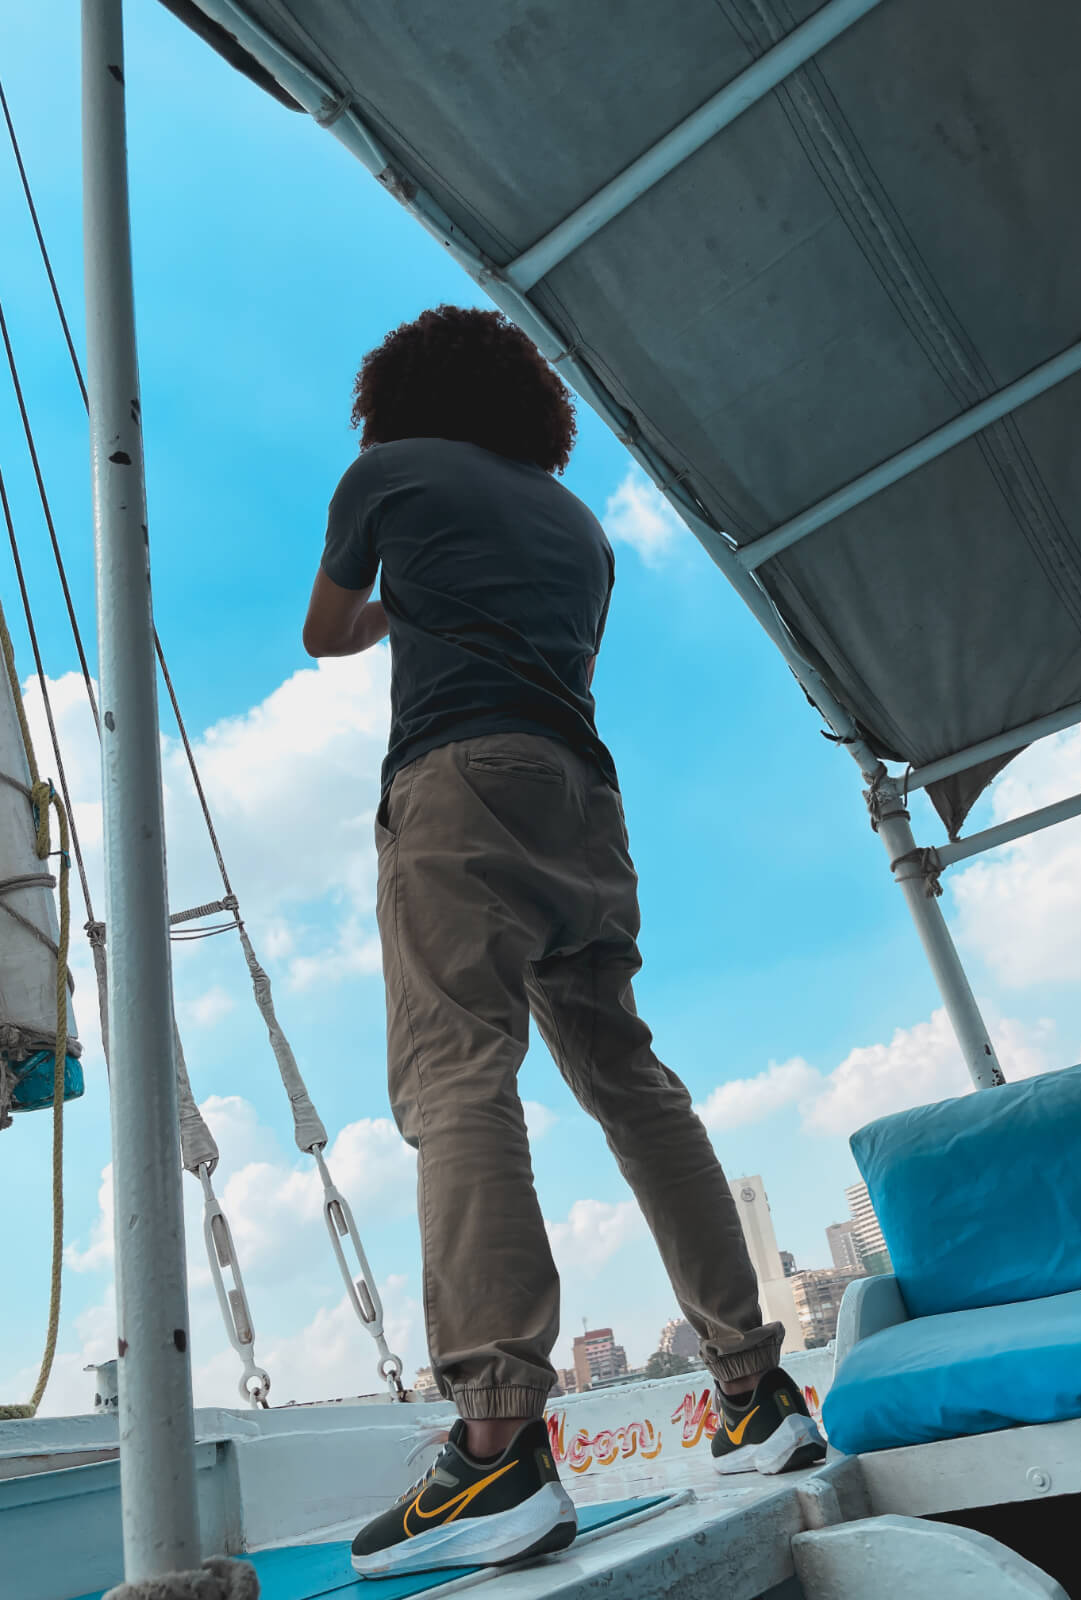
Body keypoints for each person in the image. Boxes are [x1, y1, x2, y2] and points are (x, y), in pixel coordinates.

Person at [303, 305, 825, 1579]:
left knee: (459, 1076)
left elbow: (326, 629)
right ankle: (756, 1391)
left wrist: (396, 612)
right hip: (583, 800)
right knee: (628, 1082)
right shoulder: (579, 530)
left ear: (399, 395)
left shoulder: (388, 476)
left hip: (458, 782)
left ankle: (493, 1447)